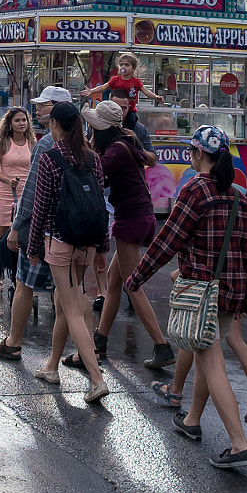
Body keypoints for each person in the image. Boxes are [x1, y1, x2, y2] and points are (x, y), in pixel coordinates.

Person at [126, 124, 247, 471]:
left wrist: (136, 278)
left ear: (198, 154)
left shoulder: (195, 190)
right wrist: (245, 297)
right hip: (229, 289)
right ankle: (192, 419)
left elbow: (168, 241)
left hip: (200, 291)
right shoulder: (238, 196)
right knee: (204, 353)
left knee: (210, 361)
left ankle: (239, 443)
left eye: (191, 151)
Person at [24, 101, 111, 404]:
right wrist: (102, 247)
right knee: (65, 302)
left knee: (71, 307)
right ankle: (51, 366)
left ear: (56, 126)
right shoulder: (93, 159)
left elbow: (41, 207)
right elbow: (101, 208)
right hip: (86, 243)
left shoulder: (50, 158)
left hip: (59, 242)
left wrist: (33, 247)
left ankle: (96, 378)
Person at [80, 100, 172, 369]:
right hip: (141, 215)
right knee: (114, 280)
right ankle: (101, 340)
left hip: (131, 218)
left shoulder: (117, 150)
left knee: (133, 285)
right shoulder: (124, 144)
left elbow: (95, 172)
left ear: (102, 129)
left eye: (94, 127)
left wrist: (81, 147)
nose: (91, 132)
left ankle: (162, 345)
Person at [0, 85, 71, 362]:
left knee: (24, 283)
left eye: (44, 105)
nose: (38, 109)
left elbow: (33, 191)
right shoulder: (82, 143)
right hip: (70, 228)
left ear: (55, 110)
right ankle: (64, 357)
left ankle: (14, 342)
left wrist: (18, 226)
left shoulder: (45, 144)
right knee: (67, 294)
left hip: (42, 226)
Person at [0, 107, 32, 291]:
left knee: (24, 237)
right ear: (10, 124)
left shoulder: (32, 142)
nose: (22, 123)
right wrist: (8, 180)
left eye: (24, 120)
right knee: (2, 236)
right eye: (18, 120)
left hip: (26, 196)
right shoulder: (3, 143)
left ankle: (21, 277)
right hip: (6, 195)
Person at [84, 53, 158, 112]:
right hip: (114, 109)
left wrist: (156, 97)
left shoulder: (136, 81)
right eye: (121, 64)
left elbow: (146, 92)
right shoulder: (115, 79)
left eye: (127, 65)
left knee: (131, 120)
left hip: (130, 110)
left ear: (133, 68)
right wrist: (92, 91)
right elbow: (104, 87)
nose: (123, 67)